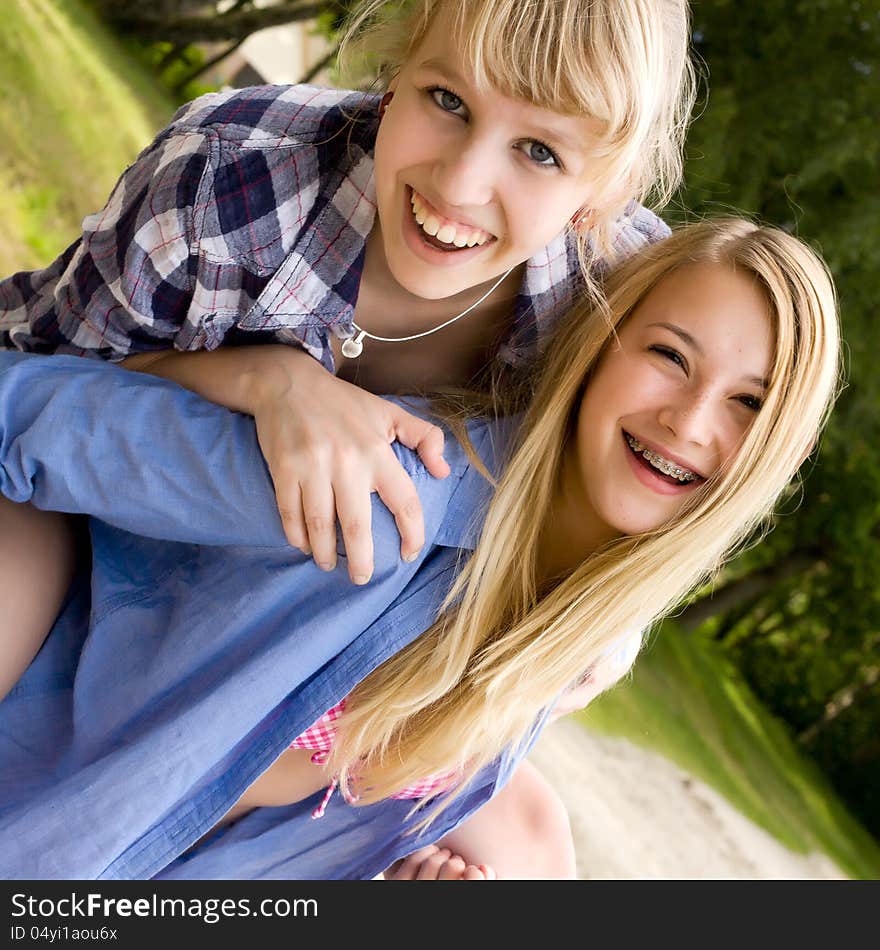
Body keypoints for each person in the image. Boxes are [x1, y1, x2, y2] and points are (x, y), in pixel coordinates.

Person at [0, 218, 840, 879]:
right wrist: (264, 380)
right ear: (601, 343)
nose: (689, 424)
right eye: (668, 356)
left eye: (748, 405)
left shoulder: (568, 642)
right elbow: (35, 418)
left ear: (776, 457)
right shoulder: (380, 488)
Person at [0, 0, 696, 699]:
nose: (460, 184)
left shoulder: (628, 310)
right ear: (397, 75)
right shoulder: (230, 174)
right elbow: (44, 381)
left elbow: (653, 490)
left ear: (604, 194)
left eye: (540, 152)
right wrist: (267, 380)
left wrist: (616, 629)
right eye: (447, 98)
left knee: (525, 815)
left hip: (266, 621)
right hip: (74, 510)